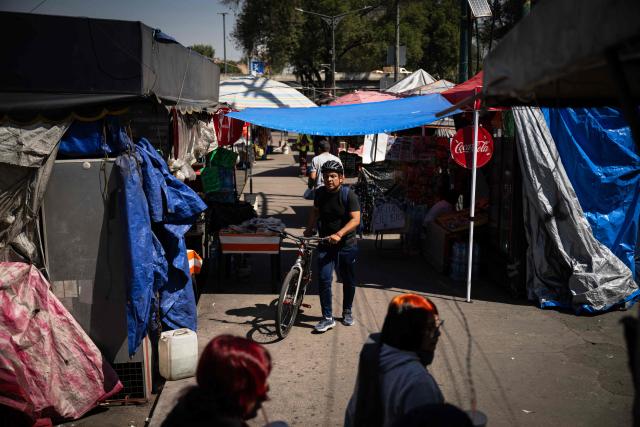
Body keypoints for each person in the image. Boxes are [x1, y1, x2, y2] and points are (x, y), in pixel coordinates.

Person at [344, 294, 444, 427]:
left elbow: (352, 412)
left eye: (437, 325)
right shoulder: (419, 383)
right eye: (430, 327)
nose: (437, 334)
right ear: (411, 332)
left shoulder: (374, 350)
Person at [162, 335, 273, 427]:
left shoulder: (190, 402)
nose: (266, 387)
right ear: (239, 388)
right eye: (260, 381)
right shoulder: (228, 424)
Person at [304, 160, 361, 332]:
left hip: (346, 245)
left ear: (341, 178)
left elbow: (355, 219)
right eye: (326, 176)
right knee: (324, 279)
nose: (329, 179)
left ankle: (347, 311)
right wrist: (309, 229)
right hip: (325, 242)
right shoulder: (320, 193)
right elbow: (315, 211)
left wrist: (339, 234)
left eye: (333, 176)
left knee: (348, 279)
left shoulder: (348, 195)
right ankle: (327, 317)